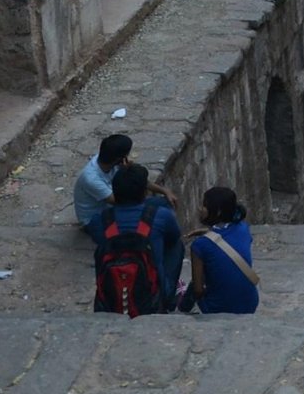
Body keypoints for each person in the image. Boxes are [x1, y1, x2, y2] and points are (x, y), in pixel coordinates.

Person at [87, 163, 183, 315]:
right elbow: (174, 237)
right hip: (153, 293)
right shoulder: (161, 216)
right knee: (176, 244)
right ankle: (169, 297)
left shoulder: (99, 221)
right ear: (144, 193)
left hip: (112, 294)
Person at [178, 186, 259, 315]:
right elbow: (230, 238)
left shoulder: (200, 245)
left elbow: (198, 290)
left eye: (204, 205)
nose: (200, 209)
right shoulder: (243, 228)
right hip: (250, 304)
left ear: (218, 212)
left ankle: (182, 307)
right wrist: (211, 233)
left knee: (197, 281)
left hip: (218, 309)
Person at [73, 133, 176, 228]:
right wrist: (126, 174)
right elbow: (121, 201)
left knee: (165, 204)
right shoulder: (91, 178)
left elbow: (141, 182)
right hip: (96, 219)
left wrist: (165, 191)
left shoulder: (113, 164)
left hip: (115, 207)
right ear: (119, 158)